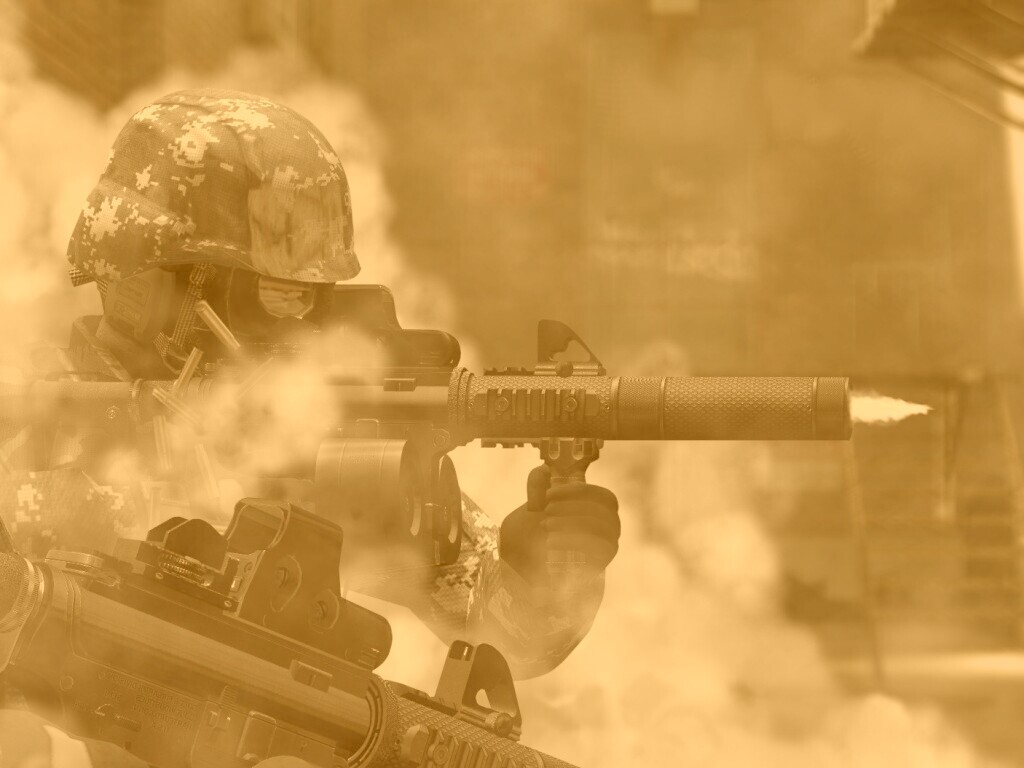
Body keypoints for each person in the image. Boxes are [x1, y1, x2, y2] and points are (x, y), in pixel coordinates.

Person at [0, 90, 619, 699]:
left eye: (311, 296)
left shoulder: (313, 447)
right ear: (156, 281)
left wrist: (550, 568)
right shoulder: (24, 425)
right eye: (277, 293)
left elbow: (510, 633)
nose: (299, 324)